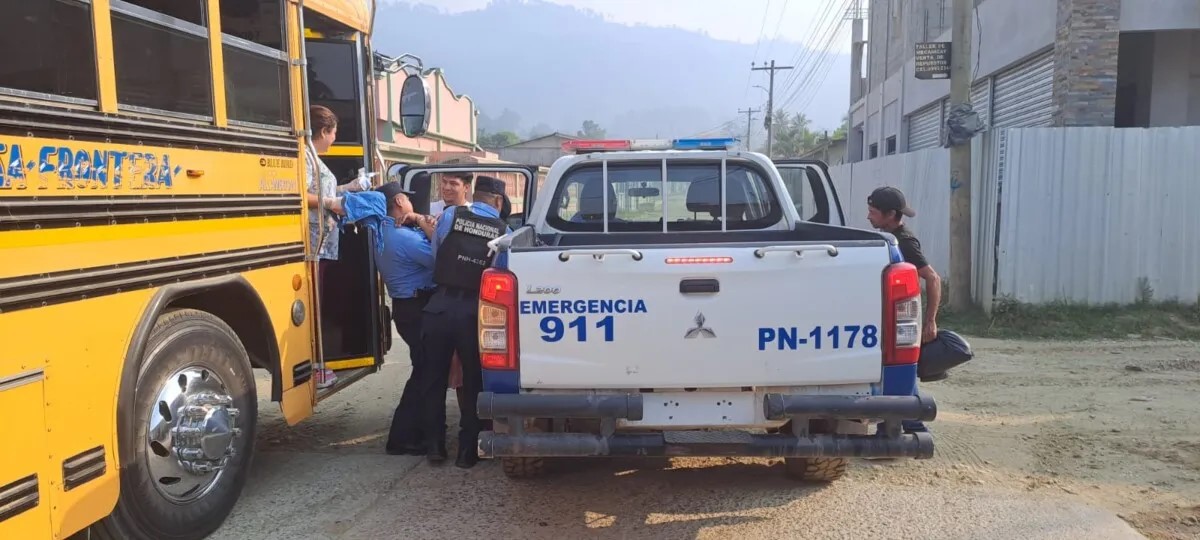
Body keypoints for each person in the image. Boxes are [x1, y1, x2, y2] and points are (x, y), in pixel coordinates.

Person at [416, 175, 511, 469]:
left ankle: (434, 446)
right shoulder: (504, 231)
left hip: (439, 307)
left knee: (432, 379)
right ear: (497, 202)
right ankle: (467, 451)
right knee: (472, 381)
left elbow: (436, 256)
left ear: (475, 194)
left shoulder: (450, 216)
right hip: (474, 312)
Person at [866, 186, 941, 434]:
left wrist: (930, 321)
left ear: (890, 215)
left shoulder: (904, 242)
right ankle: (911, 425)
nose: (869, 217)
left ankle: (908, 427)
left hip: (902, 320)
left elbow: (932, 278)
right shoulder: (888, 239)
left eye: (873, 212)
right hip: (890, 320)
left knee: (897, 371)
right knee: (899, 373)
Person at [373, 181, 439, 455]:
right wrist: (424, 222)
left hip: (406, 307)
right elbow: (440, 259)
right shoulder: (405, 237)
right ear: (399, 202)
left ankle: (420, 431)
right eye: (408, 201)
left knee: (423, 369)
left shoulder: (382, 233)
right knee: (424, 373)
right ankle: (401, 437)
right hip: (416, 306)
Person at [305, 105, 362, 388]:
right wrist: (330, 203)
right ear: (324, 131)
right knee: (313, 307)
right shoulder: (304, 156)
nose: (334, 140)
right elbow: (300, 195)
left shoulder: (314, 158)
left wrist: (349, 187)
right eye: (334, 133)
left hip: (323, 245)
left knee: (320, 304)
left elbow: (324, 192)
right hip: (312, 246)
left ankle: (318, 365)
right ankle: (314, 369)